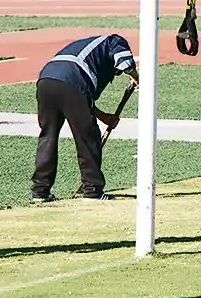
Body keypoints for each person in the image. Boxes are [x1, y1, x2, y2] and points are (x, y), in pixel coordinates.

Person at [31, 34, 139, 202]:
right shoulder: (114, 40)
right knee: (88, 138)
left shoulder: (88, 49)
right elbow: (123, 61)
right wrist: (137, 77)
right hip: (72, 79)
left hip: (46, 80)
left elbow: (83, 101)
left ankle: (40, 191)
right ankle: (92, 190)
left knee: (48, 136)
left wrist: (105, 118)